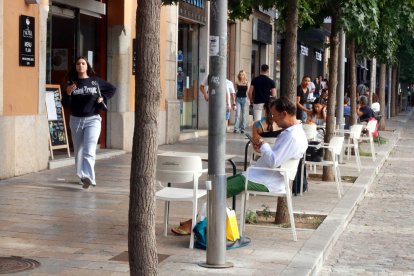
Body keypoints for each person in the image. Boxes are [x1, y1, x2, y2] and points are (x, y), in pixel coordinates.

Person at [172, 97, 308, 235]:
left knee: (218, 189)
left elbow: (274, 161)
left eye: (274, 115)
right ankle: (199, 221)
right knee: (218, 186)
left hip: (267, 180)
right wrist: (261, 148)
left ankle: (195, 224)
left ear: (284, 114)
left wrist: (264, 144)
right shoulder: (293, 134)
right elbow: (276, 158)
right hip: (261, 175)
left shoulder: (293, 137)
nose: (273, 119)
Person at [62, 56, 116, 189]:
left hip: (93, 119)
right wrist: (68, 93)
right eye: (78, 64)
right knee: (79, 150)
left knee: (89, 150)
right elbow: (66, 104)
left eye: (83, 63)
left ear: (87, 66)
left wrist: (103, 97)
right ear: (75, 67)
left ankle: (90, 177)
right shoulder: (72, 84)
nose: (80, 66)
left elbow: (112, 89)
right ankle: (82, 177)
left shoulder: (95, 81)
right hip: (76, 120)